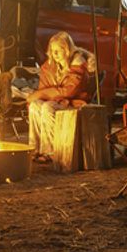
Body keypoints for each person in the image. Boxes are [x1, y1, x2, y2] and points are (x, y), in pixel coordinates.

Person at [27, 31, 95, 161]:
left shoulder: (78, 66)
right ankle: (34, 149)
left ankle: (50, 152)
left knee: (48, 107)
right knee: (36, 105)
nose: (55, 54)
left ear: (67, 50)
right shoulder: (49, 67)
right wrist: (41, 95)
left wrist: (42, 94)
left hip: (75, 104)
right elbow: (43, 88)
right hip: (59, 102)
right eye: (53, 51)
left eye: (59, 50)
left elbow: (70, 91)